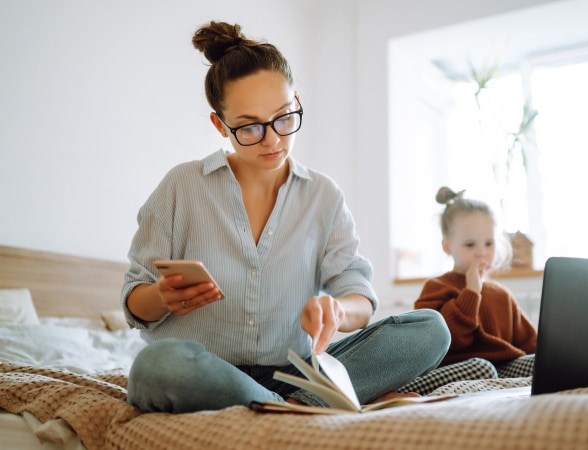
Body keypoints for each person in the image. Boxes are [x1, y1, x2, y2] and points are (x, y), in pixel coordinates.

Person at [121, 20, 450, 414]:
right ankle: (303, 405)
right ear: (219, 125)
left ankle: (288, 402)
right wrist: (161, 296)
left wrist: (340, 309)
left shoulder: (323, 196)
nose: (273, 139)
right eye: (249, 127)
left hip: (296, 370)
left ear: (296, 99)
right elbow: (134, 302)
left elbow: (359, 293)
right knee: (157, 368)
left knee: (430, 329)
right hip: (208, 371)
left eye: (283, 117)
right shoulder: (181, 186)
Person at [398, 187, 537, 395]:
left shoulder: (502, 295)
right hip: (461, 368)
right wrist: (471, 293)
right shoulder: (436, 287)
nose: (482, 252)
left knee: (539, 363)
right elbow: (435, 344)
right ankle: (396, 391)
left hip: (502, 369)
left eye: (489, 243)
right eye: (470, 244)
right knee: (482, 367)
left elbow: (529, 342)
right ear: (447, 246)